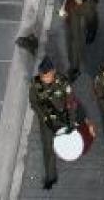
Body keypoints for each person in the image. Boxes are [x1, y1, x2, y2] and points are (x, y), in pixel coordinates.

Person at [28, 55, 87, 192]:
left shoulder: (62, 82)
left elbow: (70, 103)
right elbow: (34, 104)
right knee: (48, 148)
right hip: (48, 121)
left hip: (63, 119)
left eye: (47, 76)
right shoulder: (36, 84)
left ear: (53, 72)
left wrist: (71, 123)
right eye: (43, 76)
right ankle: (51, 176)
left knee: (67, 142)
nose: (45, 79)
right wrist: (45, 119)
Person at [46, 0, 104, 79]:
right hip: (72, 8)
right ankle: (75, 68)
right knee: (74, 39)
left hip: (87, 4)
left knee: (91, 20)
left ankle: (92, 31)